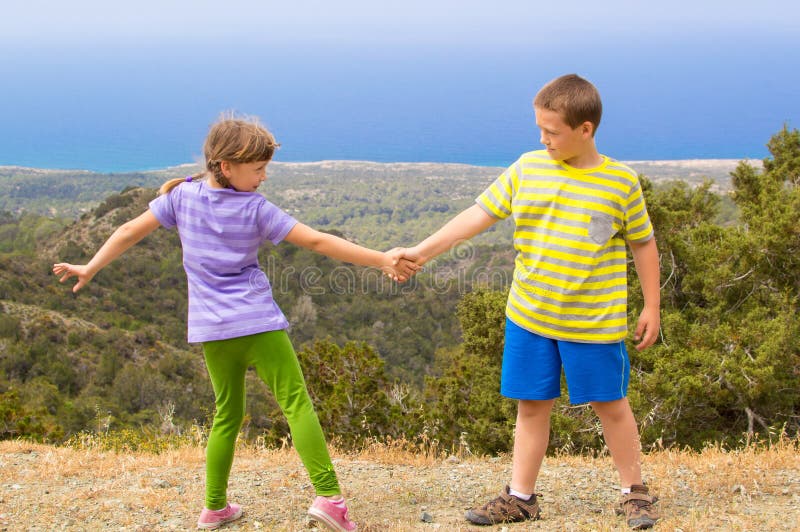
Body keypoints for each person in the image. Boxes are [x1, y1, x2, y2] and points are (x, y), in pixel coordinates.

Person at [53, 114, 416, 531]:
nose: (263, 178)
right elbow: (317, 241)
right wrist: (382, 259)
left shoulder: (181, 197)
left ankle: (214, 507)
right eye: (258, 169)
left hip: (212, 331)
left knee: (227, 413)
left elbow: (129, 230)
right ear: (226, 167)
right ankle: (330, 498)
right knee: (296, 403)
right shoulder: (255, 209)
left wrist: (91, 267)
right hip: (258, 324)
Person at [400, 74, 661, 529]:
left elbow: (644, 244)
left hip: (593, 322)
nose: (543, 139)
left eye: (553, 131)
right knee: (531, 405)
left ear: (586, 129)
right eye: (539, 129)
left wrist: (651, 306)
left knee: (612, 405)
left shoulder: (621, 183)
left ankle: (634, 493)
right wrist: (421, 252)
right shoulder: (527, 168)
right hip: (529, 316)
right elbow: (477, 216)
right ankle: (520, 498)